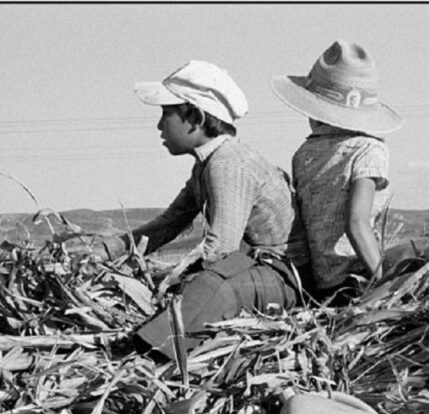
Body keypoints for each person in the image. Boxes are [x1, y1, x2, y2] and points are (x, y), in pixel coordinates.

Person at [91, 60, 311, 360]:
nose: (159, 125)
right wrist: (101, 253)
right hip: (254, 269)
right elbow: (167, 224)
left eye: (167, 114)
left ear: (195, 117)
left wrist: (173, 279)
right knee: (191, 283)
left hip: (284, 276)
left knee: (210, 287)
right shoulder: (206, 166)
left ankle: (148, 359)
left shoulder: (229, 163)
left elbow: (221, 248)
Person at [272, 40, 429, 305]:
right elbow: (356, 224)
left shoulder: (303, 154)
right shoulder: (368, 149)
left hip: (324, 284)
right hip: (356, 278)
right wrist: (387, 287)